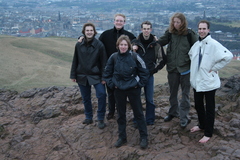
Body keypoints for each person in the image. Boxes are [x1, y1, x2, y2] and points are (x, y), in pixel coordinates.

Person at [79, 14, 136, 120]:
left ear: (124, 22)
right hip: (110, 68)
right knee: (110, 92)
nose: (119, 22)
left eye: (121, 21)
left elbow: (137, 43)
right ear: (114, 22)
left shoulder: (130, 35)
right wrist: (82, 38)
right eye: (117, 20)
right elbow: (95, 43)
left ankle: (121, 112)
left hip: (124, 70)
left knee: (122, 92)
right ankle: (111, 111)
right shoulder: (105, 35)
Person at [189, 20, 233, 143]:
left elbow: (228, 56)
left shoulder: (214, 44)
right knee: (198, 105)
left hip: (209, 82)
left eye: (204, 29)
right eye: (200, 29)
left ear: (208, 30)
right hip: (197, 82)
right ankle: (202, 125)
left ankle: (208, 133)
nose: (202, 31)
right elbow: (191, 55)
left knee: (209, 108)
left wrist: (214, 68)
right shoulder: (197, 45)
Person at [103, 35, 149, 149]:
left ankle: (144, 138)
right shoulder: (113, 57)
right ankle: (122, 137)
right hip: (119, 90)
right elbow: (107, 73)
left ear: (128, 46)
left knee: (138, 113)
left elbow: (144, 71)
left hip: (133, 89)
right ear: (118, 46)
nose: (123, 47)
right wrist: (112, 85)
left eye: (125, 45)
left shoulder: (135, 56)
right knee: (121, 115)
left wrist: (139, 84)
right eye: (121, 45)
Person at [157, 12, 198, 128]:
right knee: (172, 93)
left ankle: (184, 117)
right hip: (172, 68)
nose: (175, 24)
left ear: (183, 22)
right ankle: (172, 112)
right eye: (174, 22)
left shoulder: (190, 34)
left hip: (185, 69)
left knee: (185, 95)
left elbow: (197, 49)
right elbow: (159, 43)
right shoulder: (170, 33)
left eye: (178, 22)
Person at [70, 23, 107, 129]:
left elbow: (104, 62)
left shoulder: (99, 45)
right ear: (84, 32)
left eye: (91, 30)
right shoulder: (78, 44)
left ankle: (100, 118)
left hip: (96, 75)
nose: (89, 32)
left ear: (94, 32)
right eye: (87, 30)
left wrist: (104, 77)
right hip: (82, 75)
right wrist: (73, 75)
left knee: (102, 95)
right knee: (86, 98)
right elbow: (75, 60)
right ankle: (88, 117)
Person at [132, 21, 166, 126]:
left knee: (149, 99)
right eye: (144, 29)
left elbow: (163, 59)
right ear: (141, 29)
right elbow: (128, 57)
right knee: (136, 99)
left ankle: (150, 120)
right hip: (137, 76)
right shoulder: (135, 43)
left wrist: (154, 70)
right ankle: (137, 120)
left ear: (151, 30)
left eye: (148, 29)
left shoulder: (156, 44)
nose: (146, 31)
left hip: (149, 75)